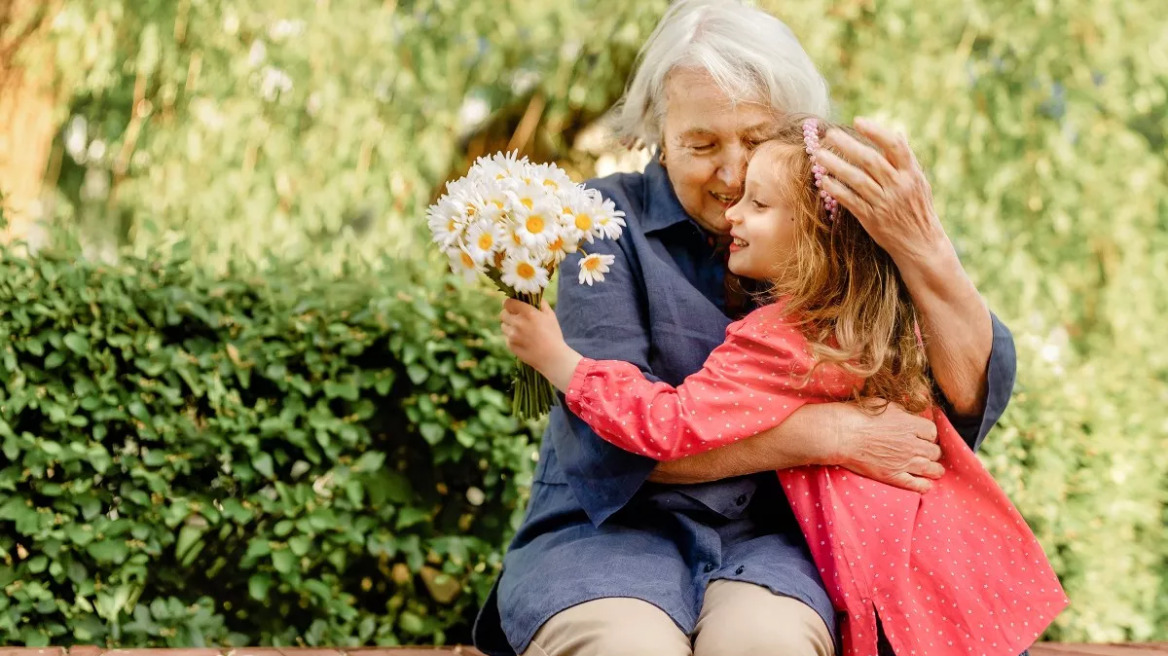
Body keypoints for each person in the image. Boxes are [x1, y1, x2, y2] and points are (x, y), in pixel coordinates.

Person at [472, 2, 1019, 655]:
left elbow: (962, 397)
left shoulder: (831, 223)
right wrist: (824, 434)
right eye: (702, 145)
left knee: (766, 646)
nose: (732, 177)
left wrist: (926, 251)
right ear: (655, 134)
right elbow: (614, 443)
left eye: (757, 141)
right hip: (611, 535)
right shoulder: (603, 224)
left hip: (781, 546)